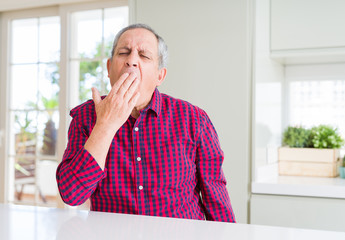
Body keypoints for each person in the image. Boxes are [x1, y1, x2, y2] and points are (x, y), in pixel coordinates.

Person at [56, 23, 236, 222]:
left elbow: (216, 200)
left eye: (144, 56)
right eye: (124, 52)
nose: (131, 61)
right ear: (109, 68)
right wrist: (105, 125)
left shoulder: (194, 120)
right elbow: (72, 195)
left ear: (160, 75)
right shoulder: (86, 117)